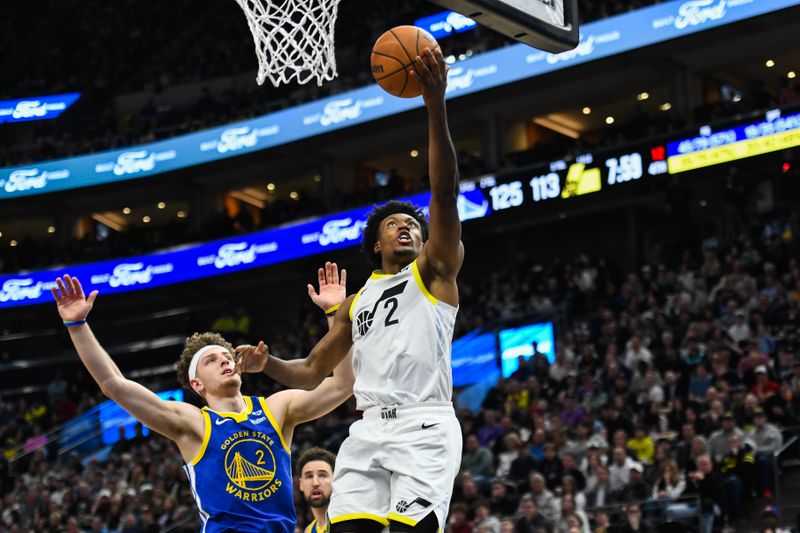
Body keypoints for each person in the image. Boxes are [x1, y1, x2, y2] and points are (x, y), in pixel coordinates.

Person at [238, 47, 463, 533]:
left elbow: (443, 193)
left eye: (414, 226)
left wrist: (435, 104)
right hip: (367, 430)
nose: (407, 229)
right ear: (376, 242)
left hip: (424, 424)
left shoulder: (435, 272)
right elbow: (313, 371)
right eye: (395, 225)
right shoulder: (354, 303)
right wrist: (266, 364)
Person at [50, 262, 353, 533]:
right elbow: (113, 384)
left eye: (226, 356)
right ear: (197, 384)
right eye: (212, 361)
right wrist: (77, 326)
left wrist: (335, 315)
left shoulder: (276, 408)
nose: (224, 361)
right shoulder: (192, 423)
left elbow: (342, 385)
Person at [298, 448, 337, 533]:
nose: (315, 483)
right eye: (309, 476)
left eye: (322, 475)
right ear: (301, 484)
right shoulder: (308, 530)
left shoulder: (349, 521)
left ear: (335, 480)